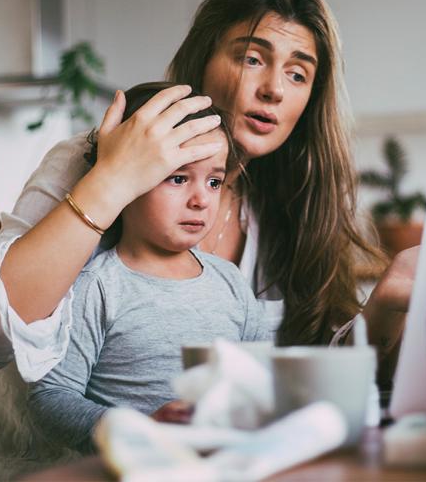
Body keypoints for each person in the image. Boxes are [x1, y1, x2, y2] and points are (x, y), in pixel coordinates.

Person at [0, 0, 416, 478]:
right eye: (253, 58)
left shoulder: (280, 206)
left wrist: (380, 314)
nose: (274, 89)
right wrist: (114, 180)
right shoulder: (94, 159)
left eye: (298, 73)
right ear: (202, 61)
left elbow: (287, 366)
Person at [26, 82, 270, 455]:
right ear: (128, 177)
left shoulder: (230, 283)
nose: (201, 199)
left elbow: (262, 379)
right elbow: (49, 399)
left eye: (214, 181)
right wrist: (136, 430)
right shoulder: (98, 286)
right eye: (177, 177)